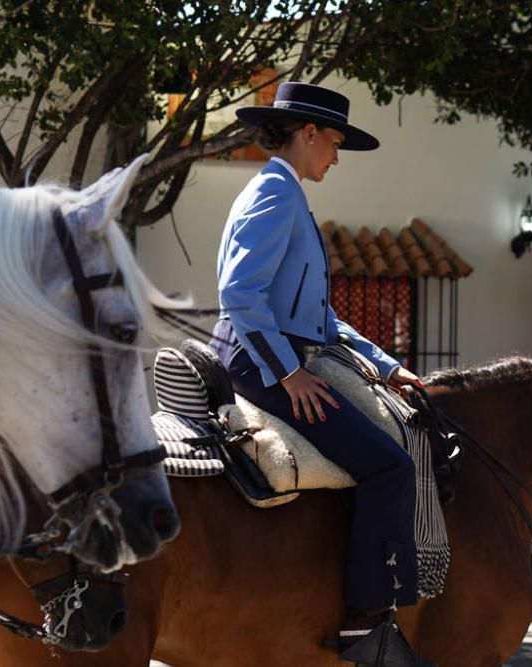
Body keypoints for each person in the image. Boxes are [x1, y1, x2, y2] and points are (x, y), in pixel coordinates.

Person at [209, 81, 433, 665]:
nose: (336, 157)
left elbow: (321, 317)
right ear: (307, 133)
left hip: (275, 355)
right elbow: (239, 292)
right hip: (260, 364)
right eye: (334, 143)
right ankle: (365, 625)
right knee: (390, 465)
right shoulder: (278, 195)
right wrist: (287, 374)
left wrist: (386, 368)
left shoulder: (282, 192)